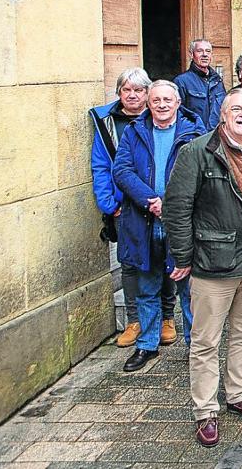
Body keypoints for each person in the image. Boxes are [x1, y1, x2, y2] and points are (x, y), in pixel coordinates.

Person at [164, 88, 242, 447]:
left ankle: (238, 394)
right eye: (236, 109)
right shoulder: (197, 152)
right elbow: (177, 209)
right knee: (206, 341)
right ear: (223, 114)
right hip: (213, 263)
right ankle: (205, 410)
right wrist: (182, 257)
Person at [112, 80, 202, 371]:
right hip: (144, 219)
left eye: (167, 99)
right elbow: (121, 170)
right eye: (156, 100)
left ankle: (196, 347)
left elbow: (201, 173)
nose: (162, 105)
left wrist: (170, 203)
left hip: (182, 221)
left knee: (189, 289)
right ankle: (147, 345)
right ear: (148, 104)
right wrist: (151, 200)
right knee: (147, 285)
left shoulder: (194, 132)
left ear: (177, 103)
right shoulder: (135, 132)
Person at [92, 68, 165, 348]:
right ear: (119, 93)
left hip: (160, 205)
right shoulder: (107, 123)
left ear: (147, 94)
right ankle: (135, 321)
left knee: (164, 258)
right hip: (126, 207)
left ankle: (166, 317)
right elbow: (101, 165)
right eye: (127, 90)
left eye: (138, 90)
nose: (132, 95)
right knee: (132, 264)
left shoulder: (156, 120)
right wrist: (110, 205)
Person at [173, 39, 225, 127]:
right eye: (199, 51)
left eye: (208, 51)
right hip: (195, 136)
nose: (204, 54)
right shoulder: (181, 81)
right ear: (192, 55)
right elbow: (178, 114)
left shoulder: (218, 80)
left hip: (217, 135)